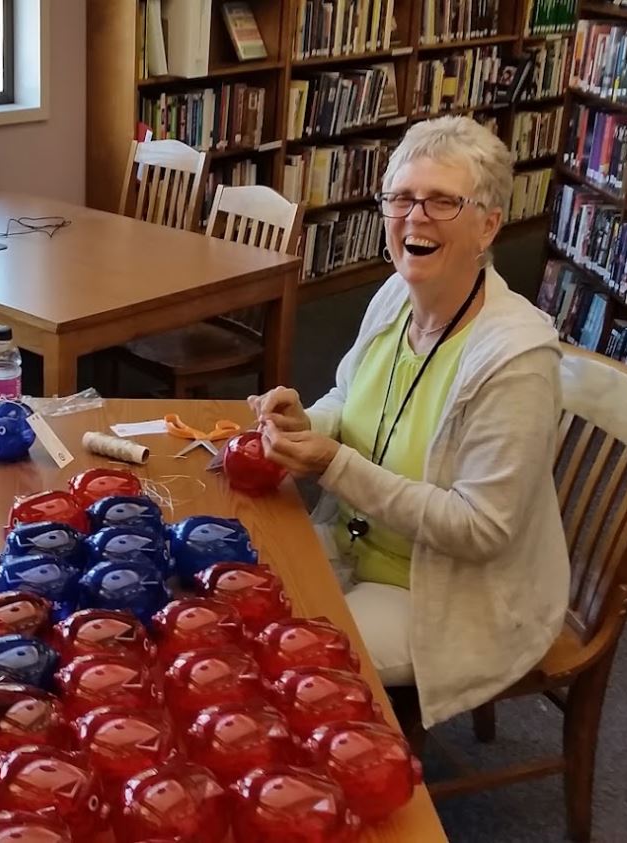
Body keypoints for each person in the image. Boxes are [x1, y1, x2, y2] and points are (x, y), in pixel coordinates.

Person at [250, 116, 570, 727]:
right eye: (401, 197)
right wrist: (305, 420)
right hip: (353, 543)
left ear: (489, 226)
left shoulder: (515, 359)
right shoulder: (397, 294)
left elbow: (481, 529)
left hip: (444, 594)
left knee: (280, 661)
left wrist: (332, 464)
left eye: (444, 201)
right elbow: (349, 397)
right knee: (226, 592)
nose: (415, 217)